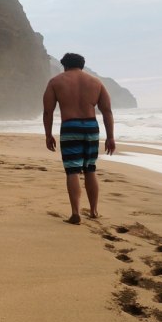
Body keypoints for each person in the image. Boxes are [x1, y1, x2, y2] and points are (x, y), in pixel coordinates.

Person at [43, 52, 115, 224]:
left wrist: (48, 135)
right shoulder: (96, 82)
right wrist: (110, 137)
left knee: (72, 170)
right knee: (90, 169)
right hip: (91, 127)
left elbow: (48, 111)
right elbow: (107, 111)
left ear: (65, 65)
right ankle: (94, 211)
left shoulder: (56, 82)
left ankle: (75, 212)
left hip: (70, 126)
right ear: (82, 65)